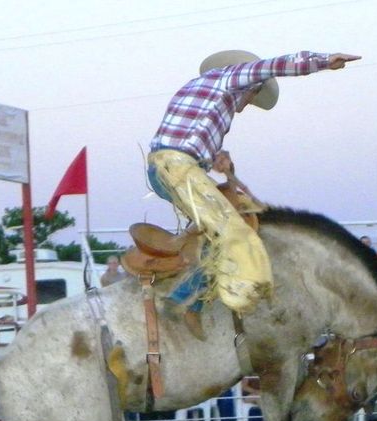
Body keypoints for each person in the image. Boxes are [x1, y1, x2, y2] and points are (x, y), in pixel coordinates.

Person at [146, 49, 360, 315]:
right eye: (253, 97)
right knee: (234, 233)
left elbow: (190, 138)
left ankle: (194, 296)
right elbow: (273, 66)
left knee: (239, 212)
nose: (247, 105)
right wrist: (324, 62)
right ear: (250, 84)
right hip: (177, 168)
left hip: (172, 166)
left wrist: (219, 162)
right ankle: (183, 303)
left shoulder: (204, 96)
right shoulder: (230, 76)